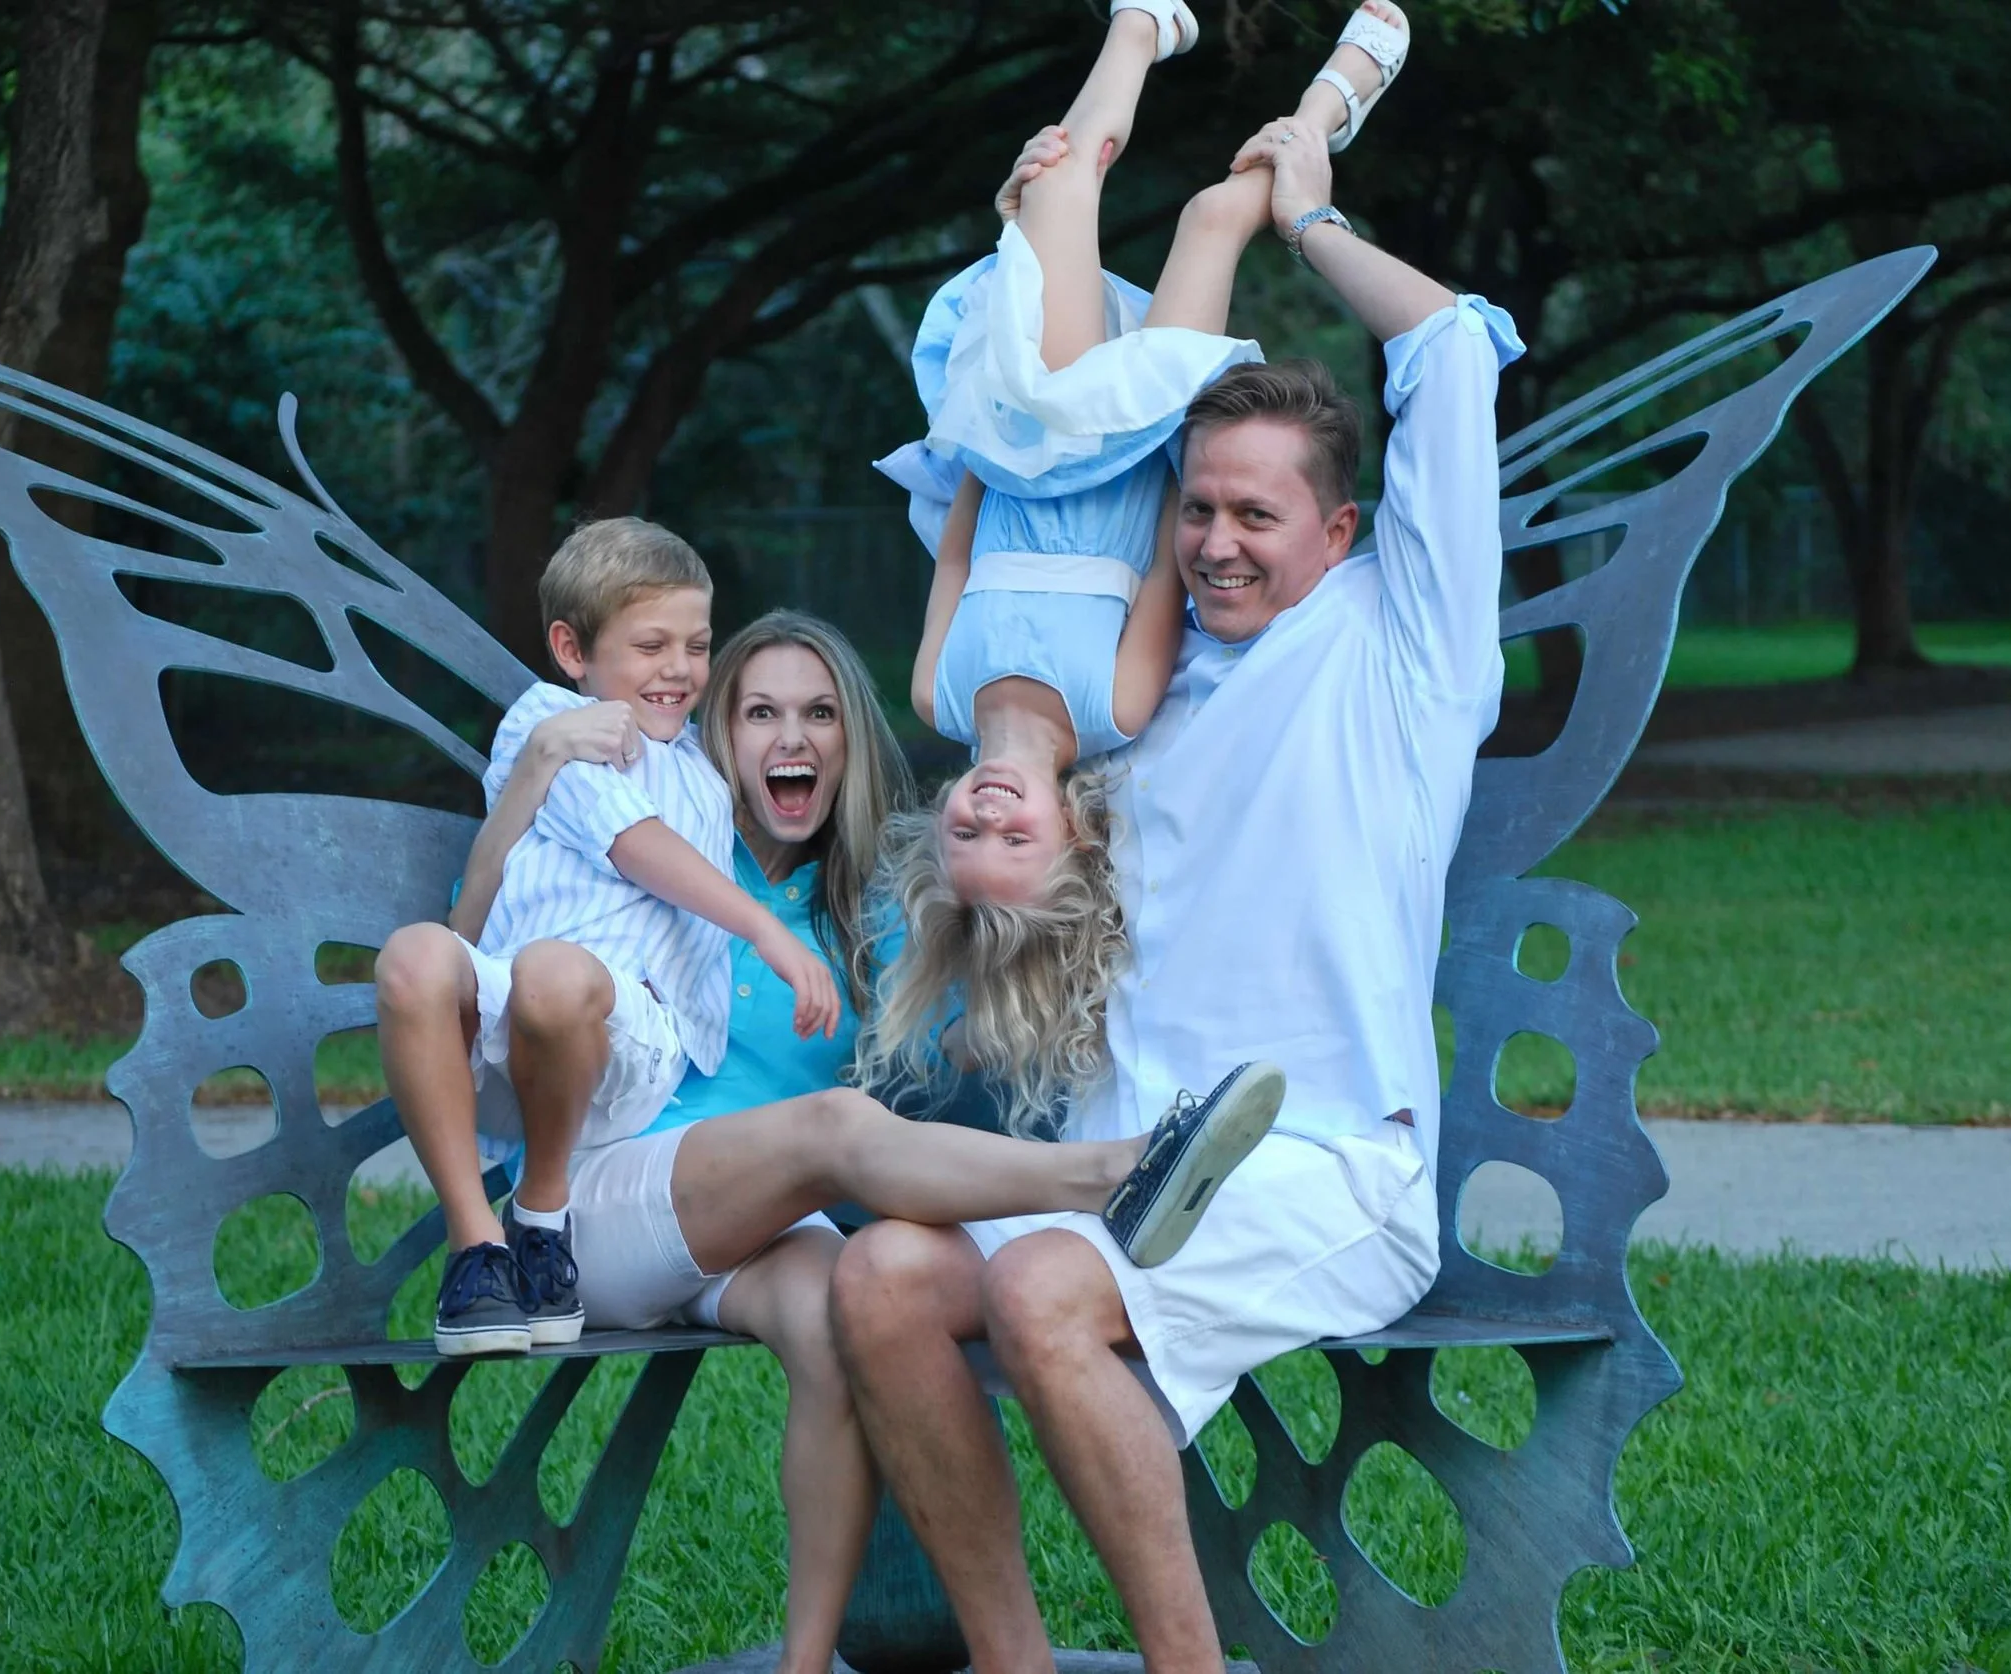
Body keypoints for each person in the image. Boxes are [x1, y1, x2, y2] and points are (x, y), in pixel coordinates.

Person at [829, 11, 1533, 1673]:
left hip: (1323, 1166)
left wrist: (1308, 210)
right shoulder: (1137, 701)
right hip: (1112, 1149)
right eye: (1196, 509)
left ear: (1340, 530)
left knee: (1050, 1288)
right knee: (882, 1283)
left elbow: (1452, 351)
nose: (1213, 541)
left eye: (1252, 515)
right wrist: (993, 876)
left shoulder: (1407, 645)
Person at [464, 610, 1281, 1674]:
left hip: (751, 1236)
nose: (788, 739)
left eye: (818, 714)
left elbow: (985, 1013)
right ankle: (1112, 1178)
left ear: (849, 744)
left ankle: (807, 1666)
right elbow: (479, 941)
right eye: (758, 713)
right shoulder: (638, 851)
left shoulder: (871, 914)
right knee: (838, 1126)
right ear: (716, 737)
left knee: (848, 1306)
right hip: (586, 1214)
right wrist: (527, 778)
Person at [860, 0, 1410, 1128]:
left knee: (1056, 188)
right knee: (1213, 219)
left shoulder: (936, 689)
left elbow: (961, 536)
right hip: (1140, 444)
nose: (991, 813)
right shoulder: (1115, 707)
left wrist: (997, 407)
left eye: (968, 832)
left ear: (941, 819)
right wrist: (1158, 412)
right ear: (1071, 839)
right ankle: (1331, 100)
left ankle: (1144, 27)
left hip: (1026, 444)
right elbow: (1174, 548)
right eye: (1017, 839)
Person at [373, 518, 844, 1359]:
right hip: (513, 1026)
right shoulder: (553, 721)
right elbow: (624, 847)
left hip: (630, 1045)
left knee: (554, 971)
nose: (679, 669)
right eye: (651, 645)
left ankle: (542, 1215)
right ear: (571, 648)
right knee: (412, 954)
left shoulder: (698, 762)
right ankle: (478, 1250)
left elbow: (657, 831)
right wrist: (764, 928)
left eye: (697, 646)